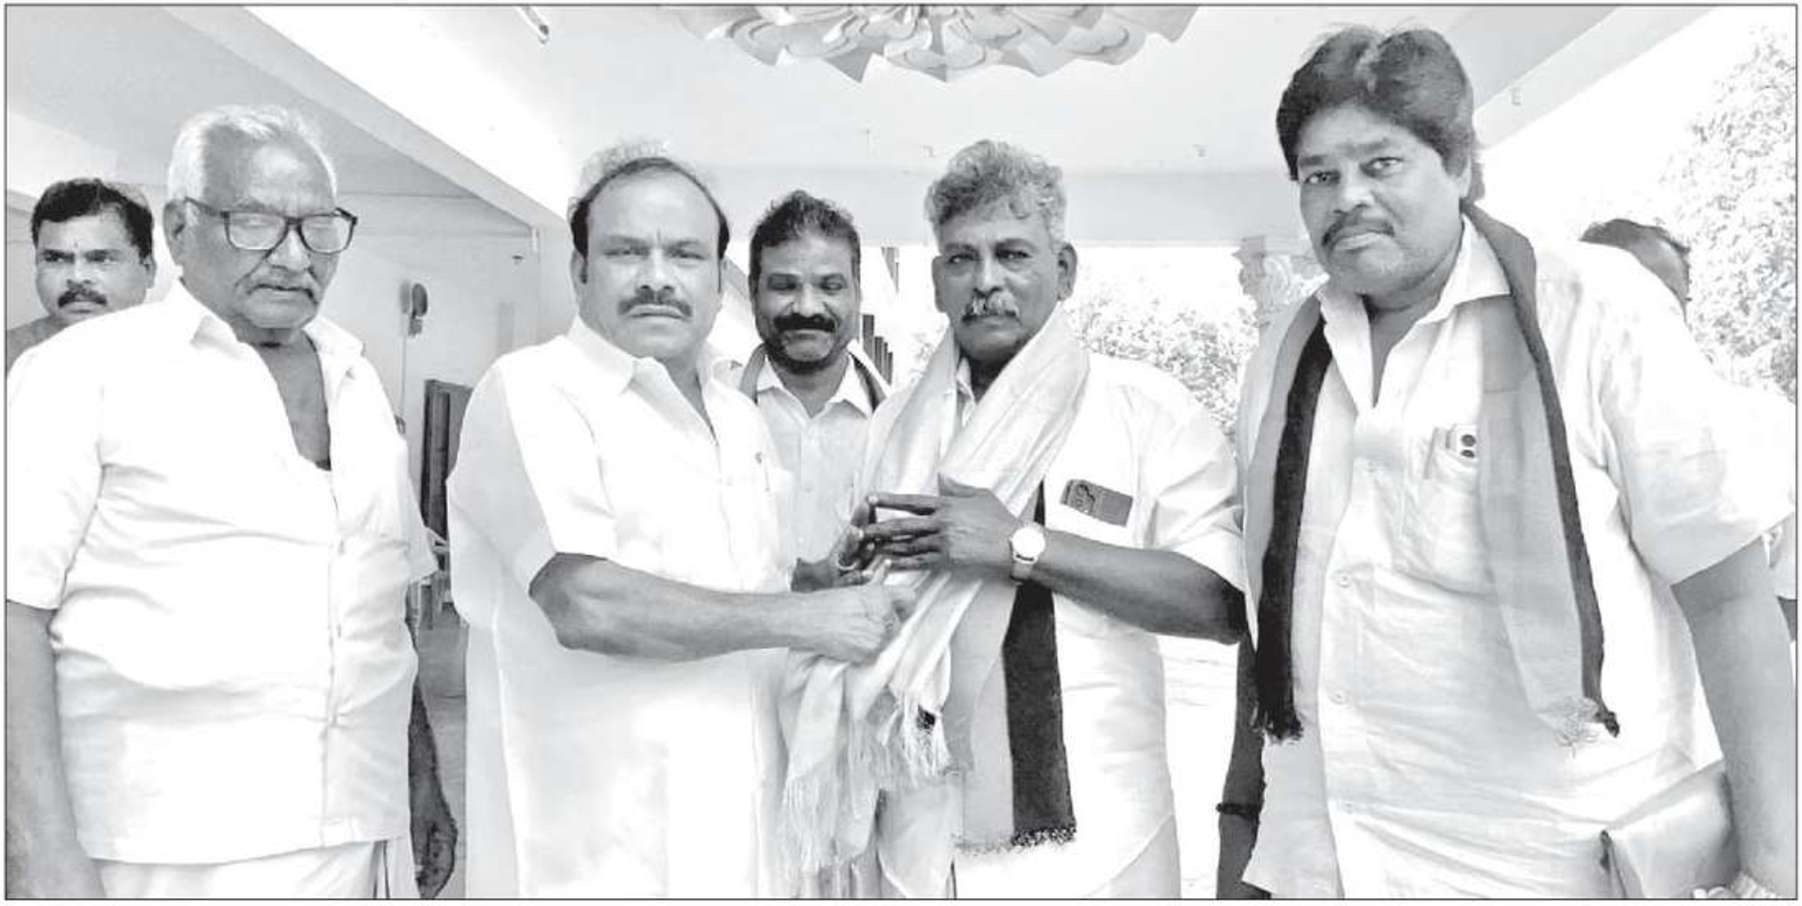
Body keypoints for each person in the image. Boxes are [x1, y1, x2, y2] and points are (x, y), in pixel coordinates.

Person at [1219, 27, 1796, 898]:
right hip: (1325, 863)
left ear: (1459, 165)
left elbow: (1729, 598)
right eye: (1318, 175)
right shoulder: (1286, 354)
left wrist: (1777, 871)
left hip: (1546, 865)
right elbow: (1280, 614)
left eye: (1381, 164)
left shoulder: (1593, 310)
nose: (1348, 198)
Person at [5, 104, 455, 898]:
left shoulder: (357, 383)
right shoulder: (81, 374)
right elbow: (14, 613)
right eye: (254, 224)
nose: (292, 256)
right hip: (161, 847)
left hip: (358, 831)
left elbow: (379, 610)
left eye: (318, 229)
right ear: (180, 230)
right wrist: (37, 850)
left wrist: (420, 777)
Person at [780, 139, 1248, 898]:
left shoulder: (1146, 411)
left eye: (1013, 254)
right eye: (961, 259)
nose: (986, 281)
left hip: (1103, 848)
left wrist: (1022, 546)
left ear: (1064, 270)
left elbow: (1221, 604)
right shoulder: (896, 428)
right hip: (922, 837)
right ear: (937, 282)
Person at [447, 143, 915, 898]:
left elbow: (741, 582)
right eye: (627, 251)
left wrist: (816, 582)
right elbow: (585, 602)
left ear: (717, 281)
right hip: (599, 855)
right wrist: (812, 619)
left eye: (686, 254)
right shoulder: (533, 391)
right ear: (580, 271)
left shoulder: (736, 417)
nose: (658, 277)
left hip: (745, 839)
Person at [726, 189, 888, 897]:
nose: (806, 306)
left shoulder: (903, 424)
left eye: (829, 285)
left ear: (857, 295)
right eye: (784, 285)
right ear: (753, 292)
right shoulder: (709, 410)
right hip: (732, 696)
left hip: (859, 717)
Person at [1581, 217, 1797, 636]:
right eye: (1616, 297)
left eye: (1662, 297)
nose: (1641, 314)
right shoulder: (1542, 439)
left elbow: (1791, 602)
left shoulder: (1773, 428)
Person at [6, 178, 156, 370]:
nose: (77, 277)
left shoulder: (184, 361)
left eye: (102, 259)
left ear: (148, 269)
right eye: (56, 259)